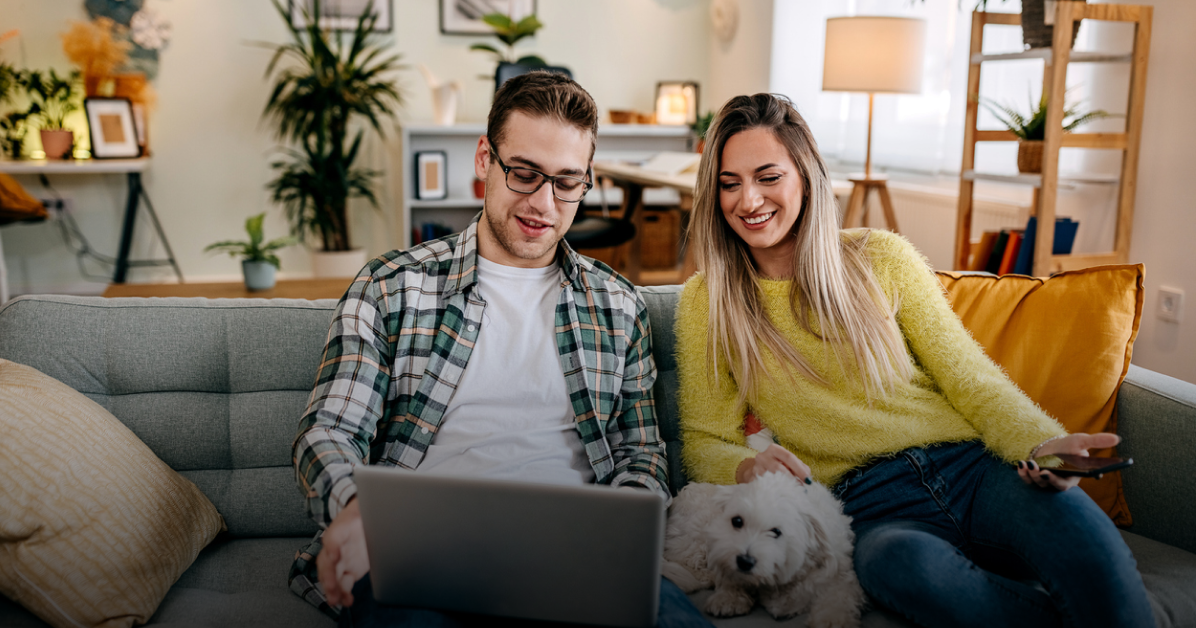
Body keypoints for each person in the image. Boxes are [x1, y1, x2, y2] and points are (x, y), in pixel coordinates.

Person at [674, 93, 1155, 628]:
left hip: (976, 471)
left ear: (805, 178)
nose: (749, 200)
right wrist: (745, 465)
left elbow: (970, 378)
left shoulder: (881, 257)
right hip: (871, 508)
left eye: (768, 177)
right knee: (899, 570)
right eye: (729, 183)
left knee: (1099, 568)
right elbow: (703, 437)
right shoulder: (707, 301)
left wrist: (1041, 445)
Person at [288, 71, 712, 628]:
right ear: (485, 159)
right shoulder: (392, 286)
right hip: (422, 555)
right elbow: (329, 431)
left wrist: (625, 531)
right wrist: (355, 509)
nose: (544, 202)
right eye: (525, 173)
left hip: (575, 556)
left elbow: (641, 454)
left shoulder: (618, 305)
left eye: (567, 182)